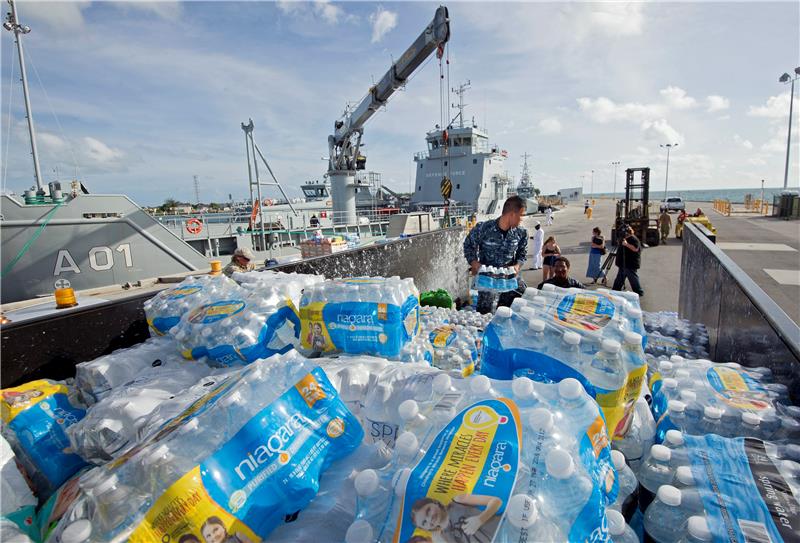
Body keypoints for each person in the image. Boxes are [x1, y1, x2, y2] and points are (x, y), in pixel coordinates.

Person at [463, 196, 528, 309]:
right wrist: (474, 263)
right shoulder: (483, 228)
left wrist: (517, 265)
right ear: (512, 214)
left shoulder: (521, 233)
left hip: (508, 279)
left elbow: (522, 252)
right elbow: (468, 245)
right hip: (487, 280)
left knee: (518, 305)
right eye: (521, 215)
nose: (522, 219)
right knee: (485, 314)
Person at [411, 494, 503, 543]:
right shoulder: (442, 537)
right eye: (424, 522)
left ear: (435, 502)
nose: (429, 518)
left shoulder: (458, 501)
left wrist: (480, 519)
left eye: (428, 511)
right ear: (426, 529)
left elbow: (496, 501)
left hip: (506, 527)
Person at [612, 225, 644, 296]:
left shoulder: (634, 239)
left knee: (633, 279)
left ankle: (639, 292)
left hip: (630, 264)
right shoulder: (623, 239)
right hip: (623, 263)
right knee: (619, 278)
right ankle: (615, 290)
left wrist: (626, 244)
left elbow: (635, 249)